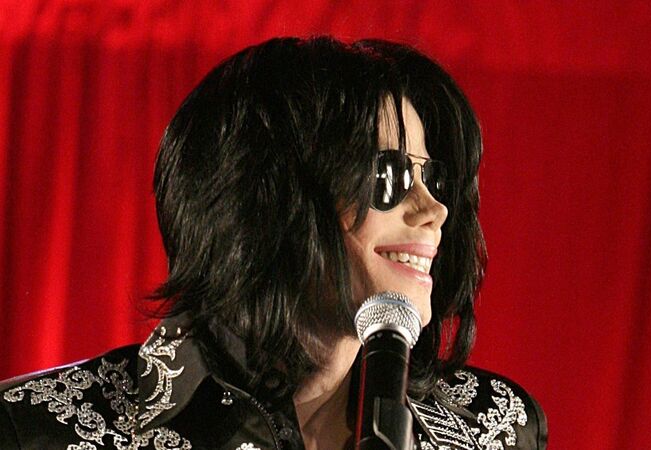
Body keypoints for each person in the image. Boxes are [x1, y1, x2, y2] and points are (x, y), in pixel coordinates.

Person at [0, 36, 547, 450]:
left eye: (433, 178)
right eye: (389, 175)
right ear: (268, 197)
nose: (434, 210)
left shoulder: (496, 428)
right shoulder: (33, 430)